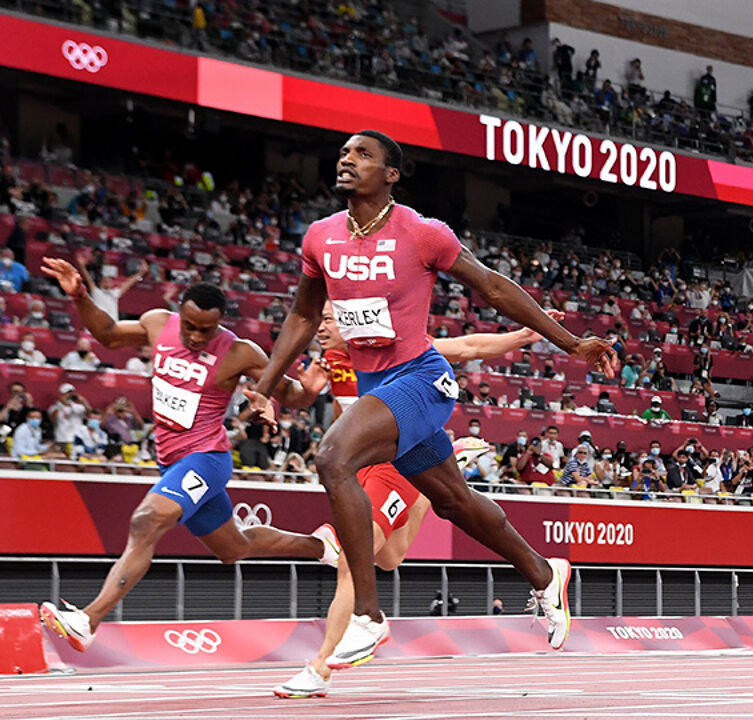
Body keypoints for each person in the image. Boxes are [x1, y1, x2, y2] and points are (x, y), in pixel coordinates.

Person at [250, 130, 616, 667]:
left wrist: (572, 343)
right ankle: (545, 572)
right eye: (345, 152)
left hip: (422, 379)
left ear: (391, 174)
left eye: (363, 155)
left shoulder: (422, 233)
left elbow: (493, 288)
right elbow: (304, 316)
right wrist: (264, 390)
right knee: (453, 502)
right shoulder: (320, 238)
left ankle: (367, 618)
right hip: (378, 389)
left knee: (333, 457)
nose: (347, 160)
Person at [37, 260, 333, 653]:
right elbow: (107, 334)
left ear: (220, 323)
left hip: (206, 458)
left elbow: (292, 394)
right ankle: (322, 546)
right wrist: (80, 296)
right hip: (170, 460)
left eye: (205, 330)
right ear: (180, 314)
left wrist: (311, 389)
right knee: (234, 548)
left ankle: (87, 620)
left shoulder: (241, 352)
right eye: (190, 326)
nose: (194, 336)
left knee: (145, 520)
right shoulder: (159, 323)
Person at [274, 301, 548, 698]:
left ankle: (319, 669)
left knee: (354, 560)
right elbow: (302, 394)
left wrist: (521, 336)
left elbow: (465, 348)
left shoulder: (391, 352)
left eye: (330, 319)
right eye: (322, 319)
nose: (321, 327)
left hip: (395, 463)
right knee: (388, 557)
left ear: (352, 322)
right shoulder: (329, 357)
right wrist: (265, 385)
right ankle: (426, 493)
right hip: (355, 465)